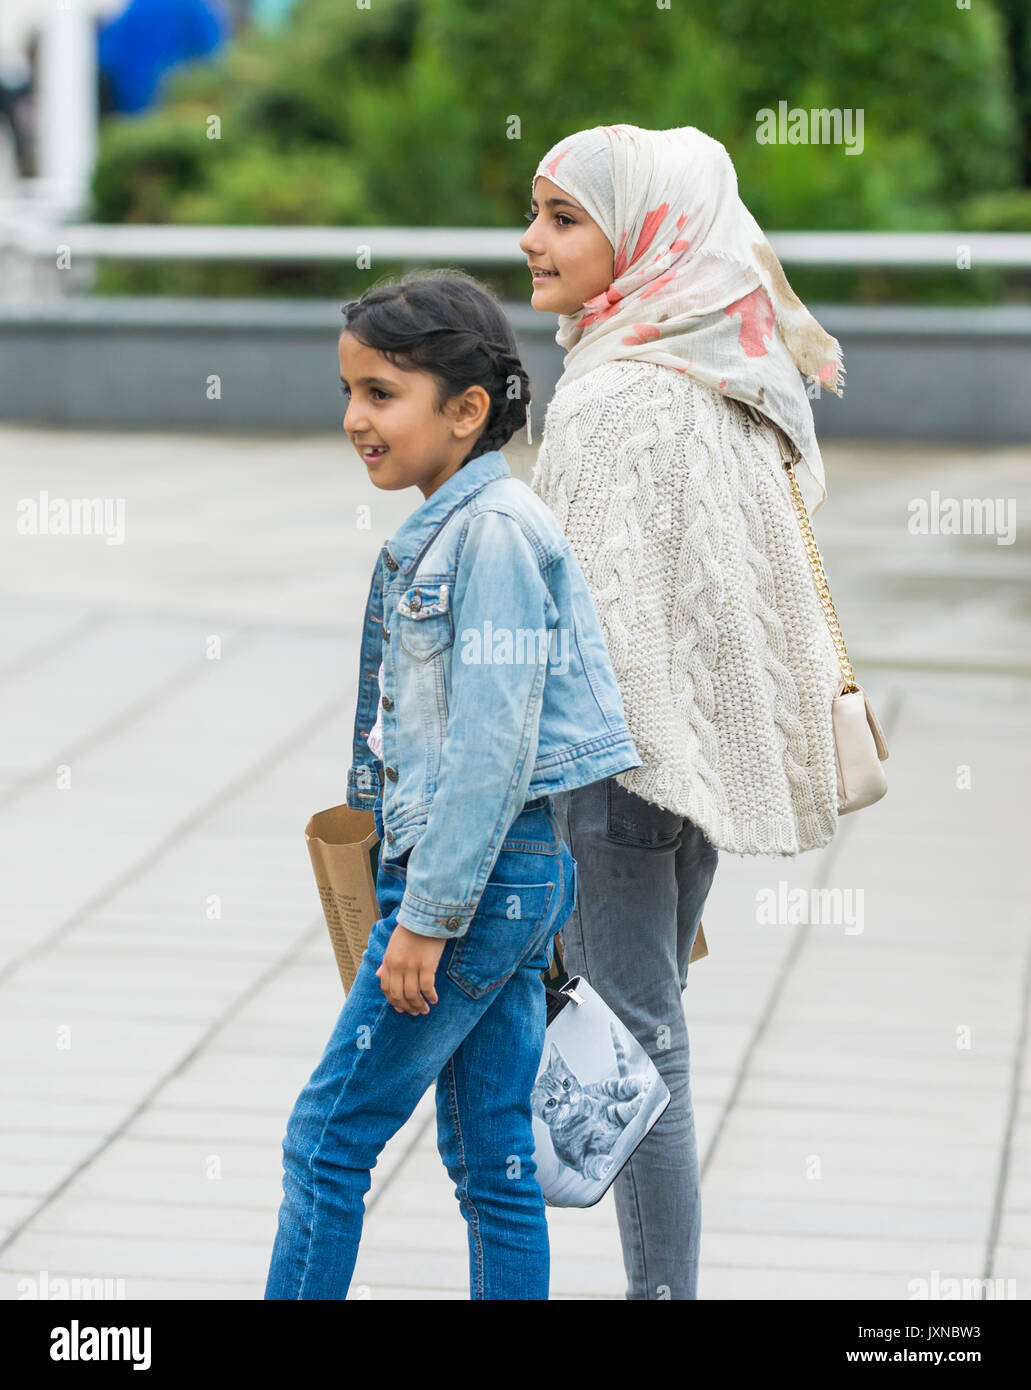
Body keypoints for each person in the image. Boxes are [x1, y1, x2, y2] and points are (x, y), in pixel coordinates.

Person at [264, 267, 642, 1301]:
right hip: (499, 881)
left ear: (465, 409)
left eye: (381, 393)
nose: (354, 419)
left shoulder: (493, 535)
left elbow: (492, 749)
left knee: (326, 1140)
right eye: (347, 392)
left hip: (469, 886)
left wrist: (426, 915)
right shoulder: (465, 525)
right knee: (494, 1165)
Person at [519, 123, 846, 1300]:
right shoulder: (734, 372)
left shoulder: (615, 397)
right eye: (536, 211)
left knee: (633, 1048)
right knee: (643, 1032)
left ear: (646, 228)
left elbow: (578, 630)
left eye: (564, 217)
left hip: (615, 774)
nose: (531, 239)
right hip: (691, 768)